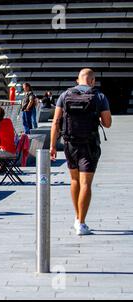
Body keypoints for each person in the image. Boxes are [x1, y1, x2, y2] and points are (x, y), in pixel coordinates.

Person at [50, 68, 112, 236]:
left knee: (74, 180)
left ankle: (77, 217)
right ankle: (81, 223)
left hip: (70, 143)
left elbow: (56, 122)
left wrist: (52, 146)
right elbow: (107, 123)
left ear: (78, 80)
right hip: (89, 143)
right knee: (86, 183)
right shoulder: (99, 96)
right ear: (93, 81)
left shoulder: (64, 95)